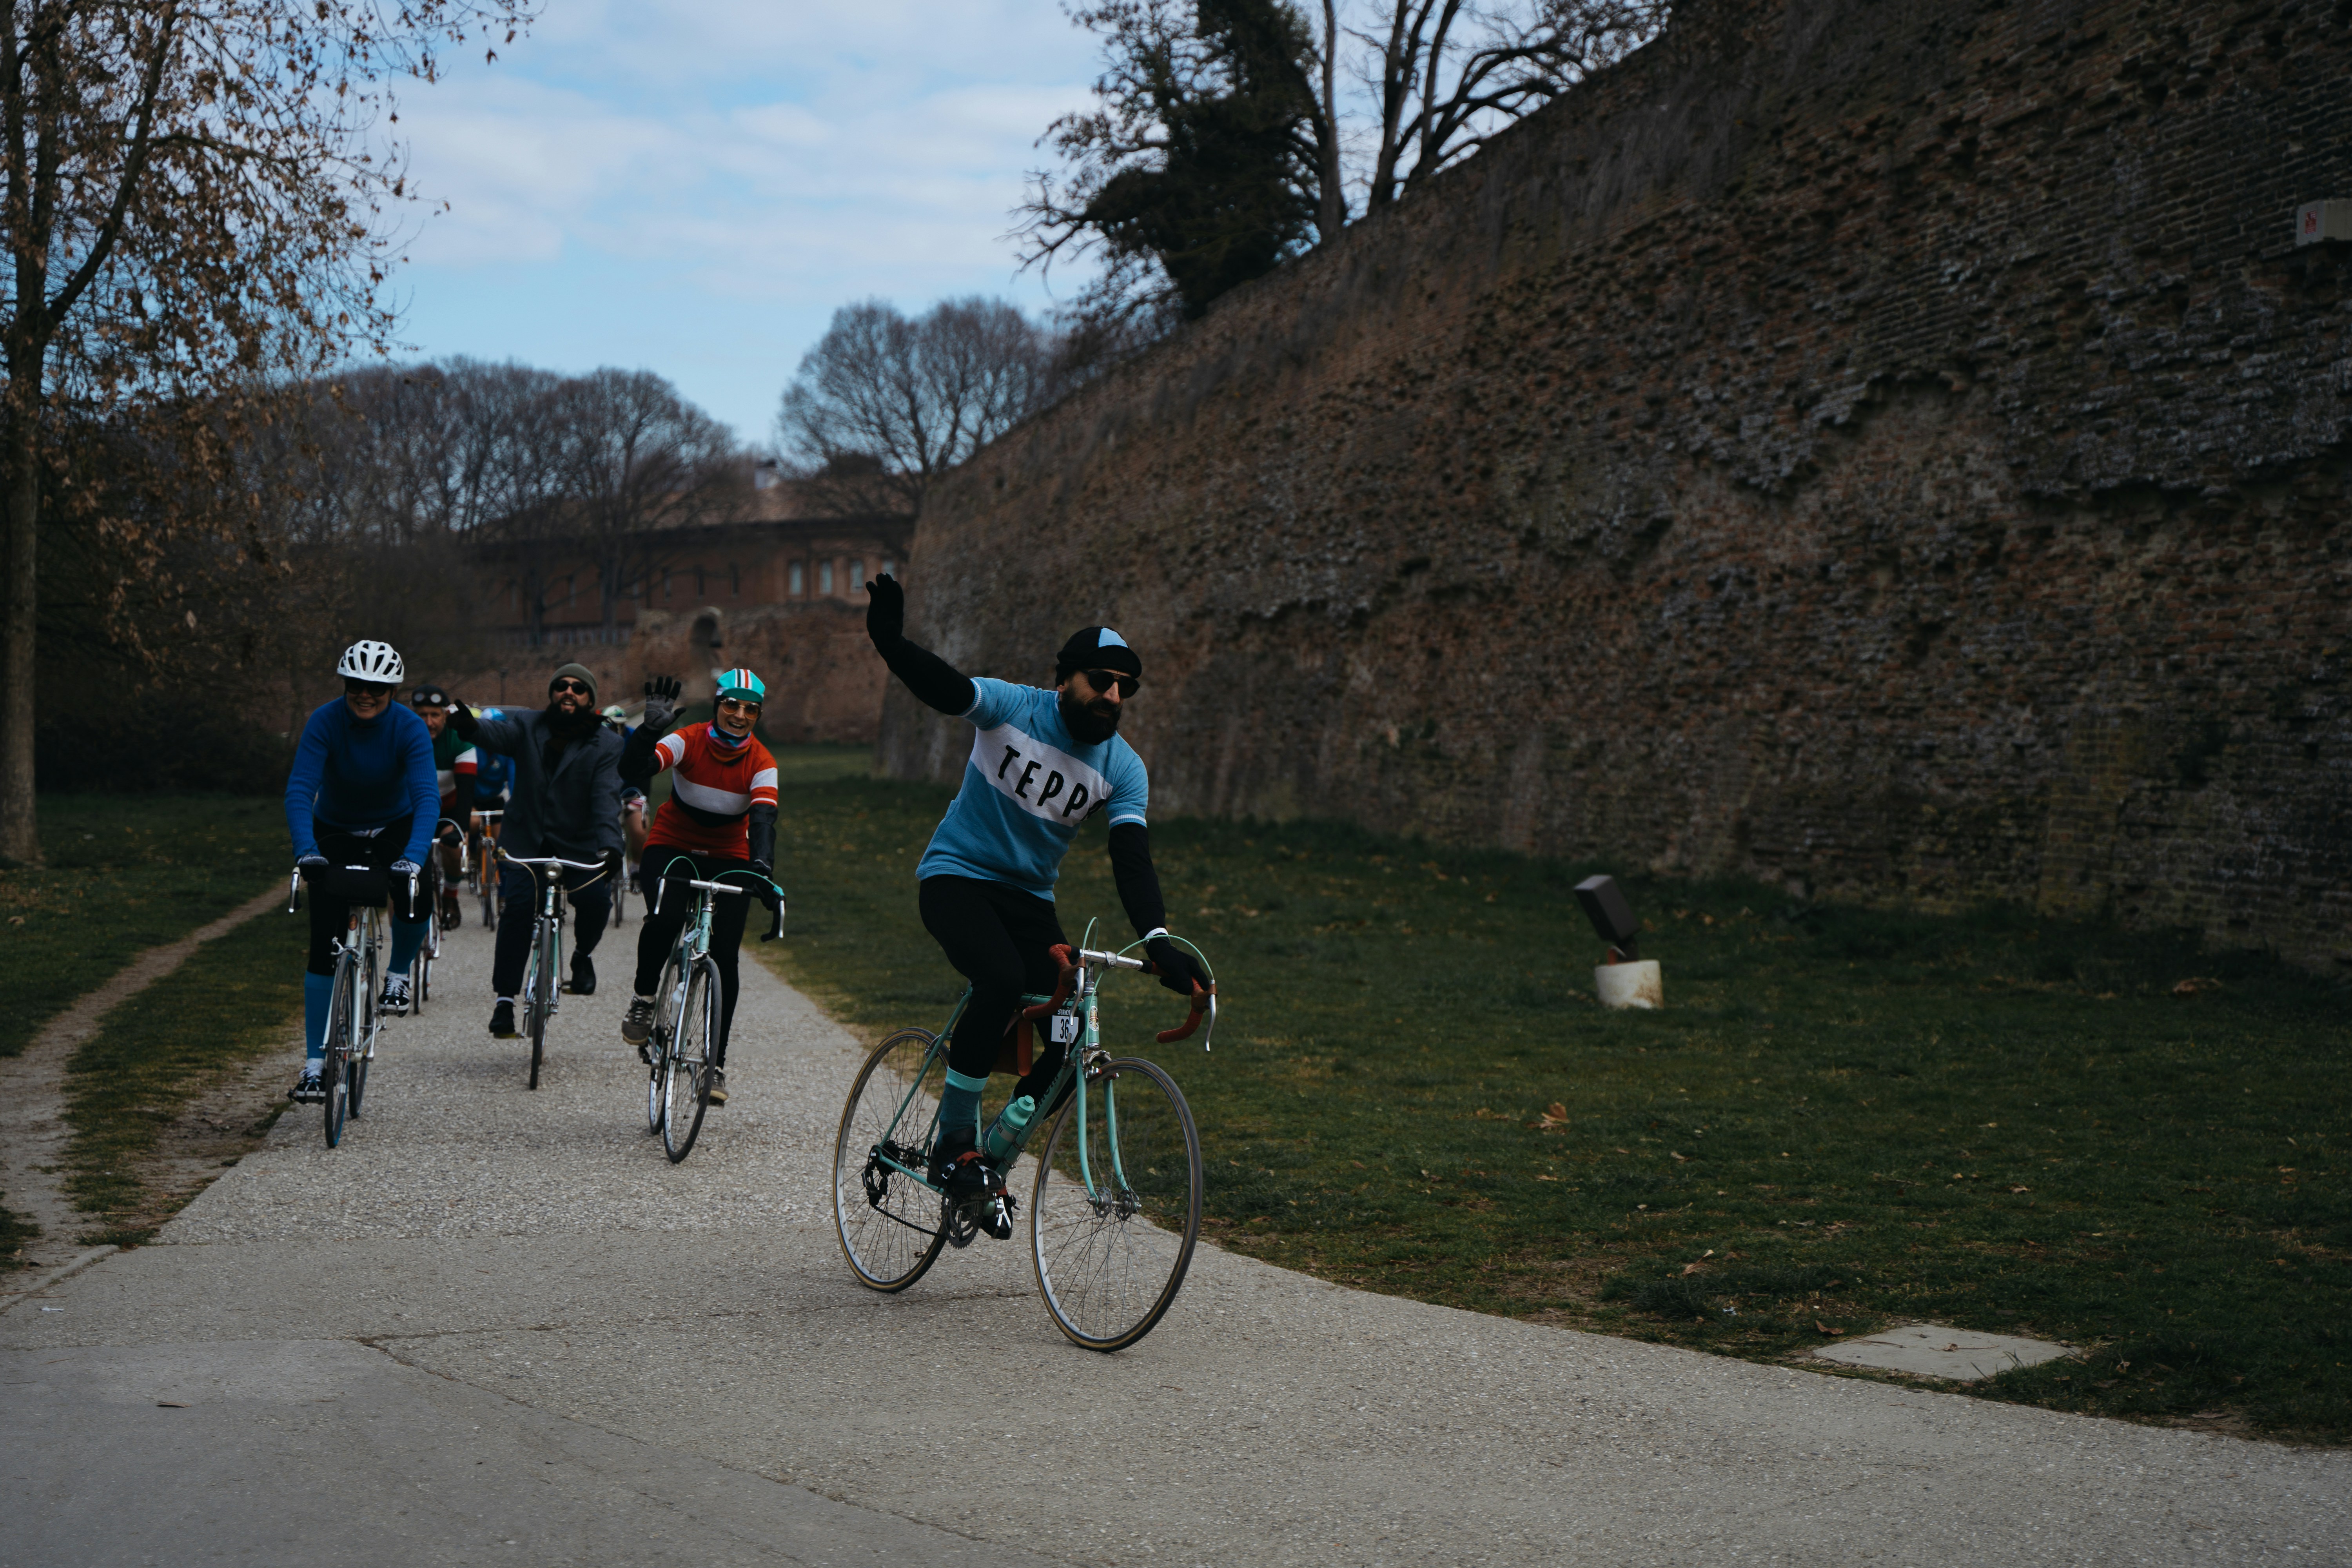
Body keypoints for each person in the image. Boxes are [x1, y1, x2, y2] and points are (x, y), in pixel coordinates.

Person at [862, 575, 1207, 1214]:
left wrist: (1158, 940)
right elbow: (948, 688)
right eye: (1101, 681)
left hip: (1028, 901)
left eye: (1125, 688)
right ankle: (953, 1144)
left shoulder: (1124, 769)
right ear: (1065, 679)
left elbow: (1131, 861)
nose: (1114, 695)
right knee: (998, 977)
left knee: (1073, 1028)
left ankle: (995, 1151)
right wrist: (891, 643)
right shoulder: (1012, 707)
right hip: (956, 879)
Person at [283, 640, 439, 1101]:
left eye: (377, 688)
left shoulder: (409, 728)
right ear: (346, 685)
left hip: (396, 822)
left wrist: (412, 855)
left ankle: (397, 974)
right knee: (323, 943)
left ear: (392, 690)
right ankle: (314, 1065)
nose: (365, 694)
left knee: (415, 889)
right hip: (335, 826)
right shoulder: (325, 721)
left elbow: (427, 797)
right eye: (357, 686)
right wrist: (306, 850)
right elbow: (299, 790)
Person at [617, 671, 779, 1106]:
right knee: (666, 918)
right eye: (732, 705)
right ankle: (645, 997)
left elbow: (763, 820)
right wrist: (650, 730)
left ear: (758, 715)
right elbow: (633, 769)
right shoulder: (688, 739)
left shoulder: (762, 762)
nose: (740, 715)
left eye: (750, 710)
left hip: (730, 853)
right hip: (672, 843)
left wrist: (761, 866)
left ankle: (715, 1061)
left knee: (725, 955)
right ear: (718, 704)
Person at [449, 663, 626, 1038]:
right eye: (562, 686)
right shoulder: (529, 726)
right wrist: (470, 728)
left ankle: (581, 957)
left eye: (579, 688)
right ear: (552, 692)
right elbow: (496, 734)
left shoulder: (607, 744)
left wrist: (611, 846)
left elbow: (605, 797)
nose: (569, 692)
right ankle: (504, 1002)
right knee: (516, 910)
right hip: (525, 840)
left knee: (596, 901)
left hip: (579, 843)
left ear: (591, 699)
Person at [409, 682, 475, 929]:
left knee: (454, 846)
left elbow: (467, 792)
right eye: (422, 716)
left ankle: (451, 897)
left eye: (435, 715)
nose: (429, 723)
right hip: (414, 810)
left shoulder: (460, 741)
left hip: (449, 809)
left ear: (445, 716)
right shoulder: (404, 737)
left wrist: (460, 829)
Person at [468, 710, 514, 927]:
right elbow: (466, 779)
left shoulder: (507, 751)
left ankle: (504, 895)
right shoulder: (472, 747)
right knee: (474, 823)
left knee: (504, 845)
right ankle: (473, 856)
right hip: (473, 798)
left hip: (496, 800)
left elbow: (513, 781)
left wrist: (516, 805)